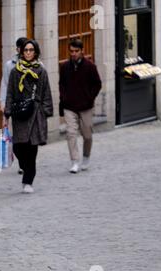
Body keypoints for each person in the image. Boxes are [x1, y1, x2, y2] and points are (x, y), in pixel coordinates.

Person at [4, 40, 53, 194]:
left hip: (36, 113)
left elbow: (46, 92)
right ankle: (26, 168)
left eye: (31, 50)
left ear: (36, 52)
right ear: (22, 52)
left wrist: (45, 110)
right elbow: (10, 92)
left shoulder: (41, 71)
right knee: (18, 147)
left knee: (32, 148)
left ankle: (28, 180)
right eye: (26, 50)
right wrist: (7, 112)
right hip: (20, 113)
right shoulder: (15, 71)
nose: (28, 53)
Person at [59, 39, 102, 174]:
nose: (73, 54)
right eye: (71, 51)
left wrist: (90, 97)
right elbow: (62, 84)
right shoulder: (65, 67)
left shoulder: (90, 66)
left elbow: (97, 84)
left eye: (76, 51)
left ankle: (86, 156)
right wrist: (64, 97)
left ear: (82, 51)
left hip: (86, 106)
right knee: (71, 133)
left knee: (87, 135)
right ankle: (74, 161)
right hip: (69, 106)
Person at [0, 37, 27, 175]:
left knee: (28, 136)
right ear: (17, 49)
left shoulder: (37, 64)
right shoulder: (9, 65)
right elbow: (4, 84)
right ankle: (22, 162)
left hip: (30, 106)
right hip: (15, 105)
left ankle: (27, 161)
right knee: (17, 137)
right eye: (22, 49)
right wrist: (3, 103)